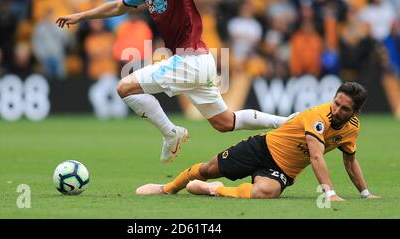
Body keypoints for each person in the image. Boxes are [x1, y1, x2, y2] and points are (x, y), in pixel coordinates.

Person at [56, 0, 291, 163]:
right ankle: (288, 121)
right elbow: (118, 6)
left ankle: (171, 133)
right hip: (199, 62)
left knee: (124, 87)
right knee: (225, 121)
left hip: (190, 60)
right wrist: (81, 16)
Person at [136, 82, 381, 201]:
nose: (336, 109)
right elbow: (316, 156)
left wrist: (365, 193)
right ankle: (166, 188)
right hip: (261, 148)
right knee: (208, 169)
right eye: (336, 102)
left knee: (265, 193)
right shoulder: (318, 117)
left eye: (344, 108)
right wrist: (329, 193)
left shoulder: (352, 129)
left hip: (284, 169)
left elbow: (350, 162)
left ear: (355, 113)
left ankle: (215, 190)